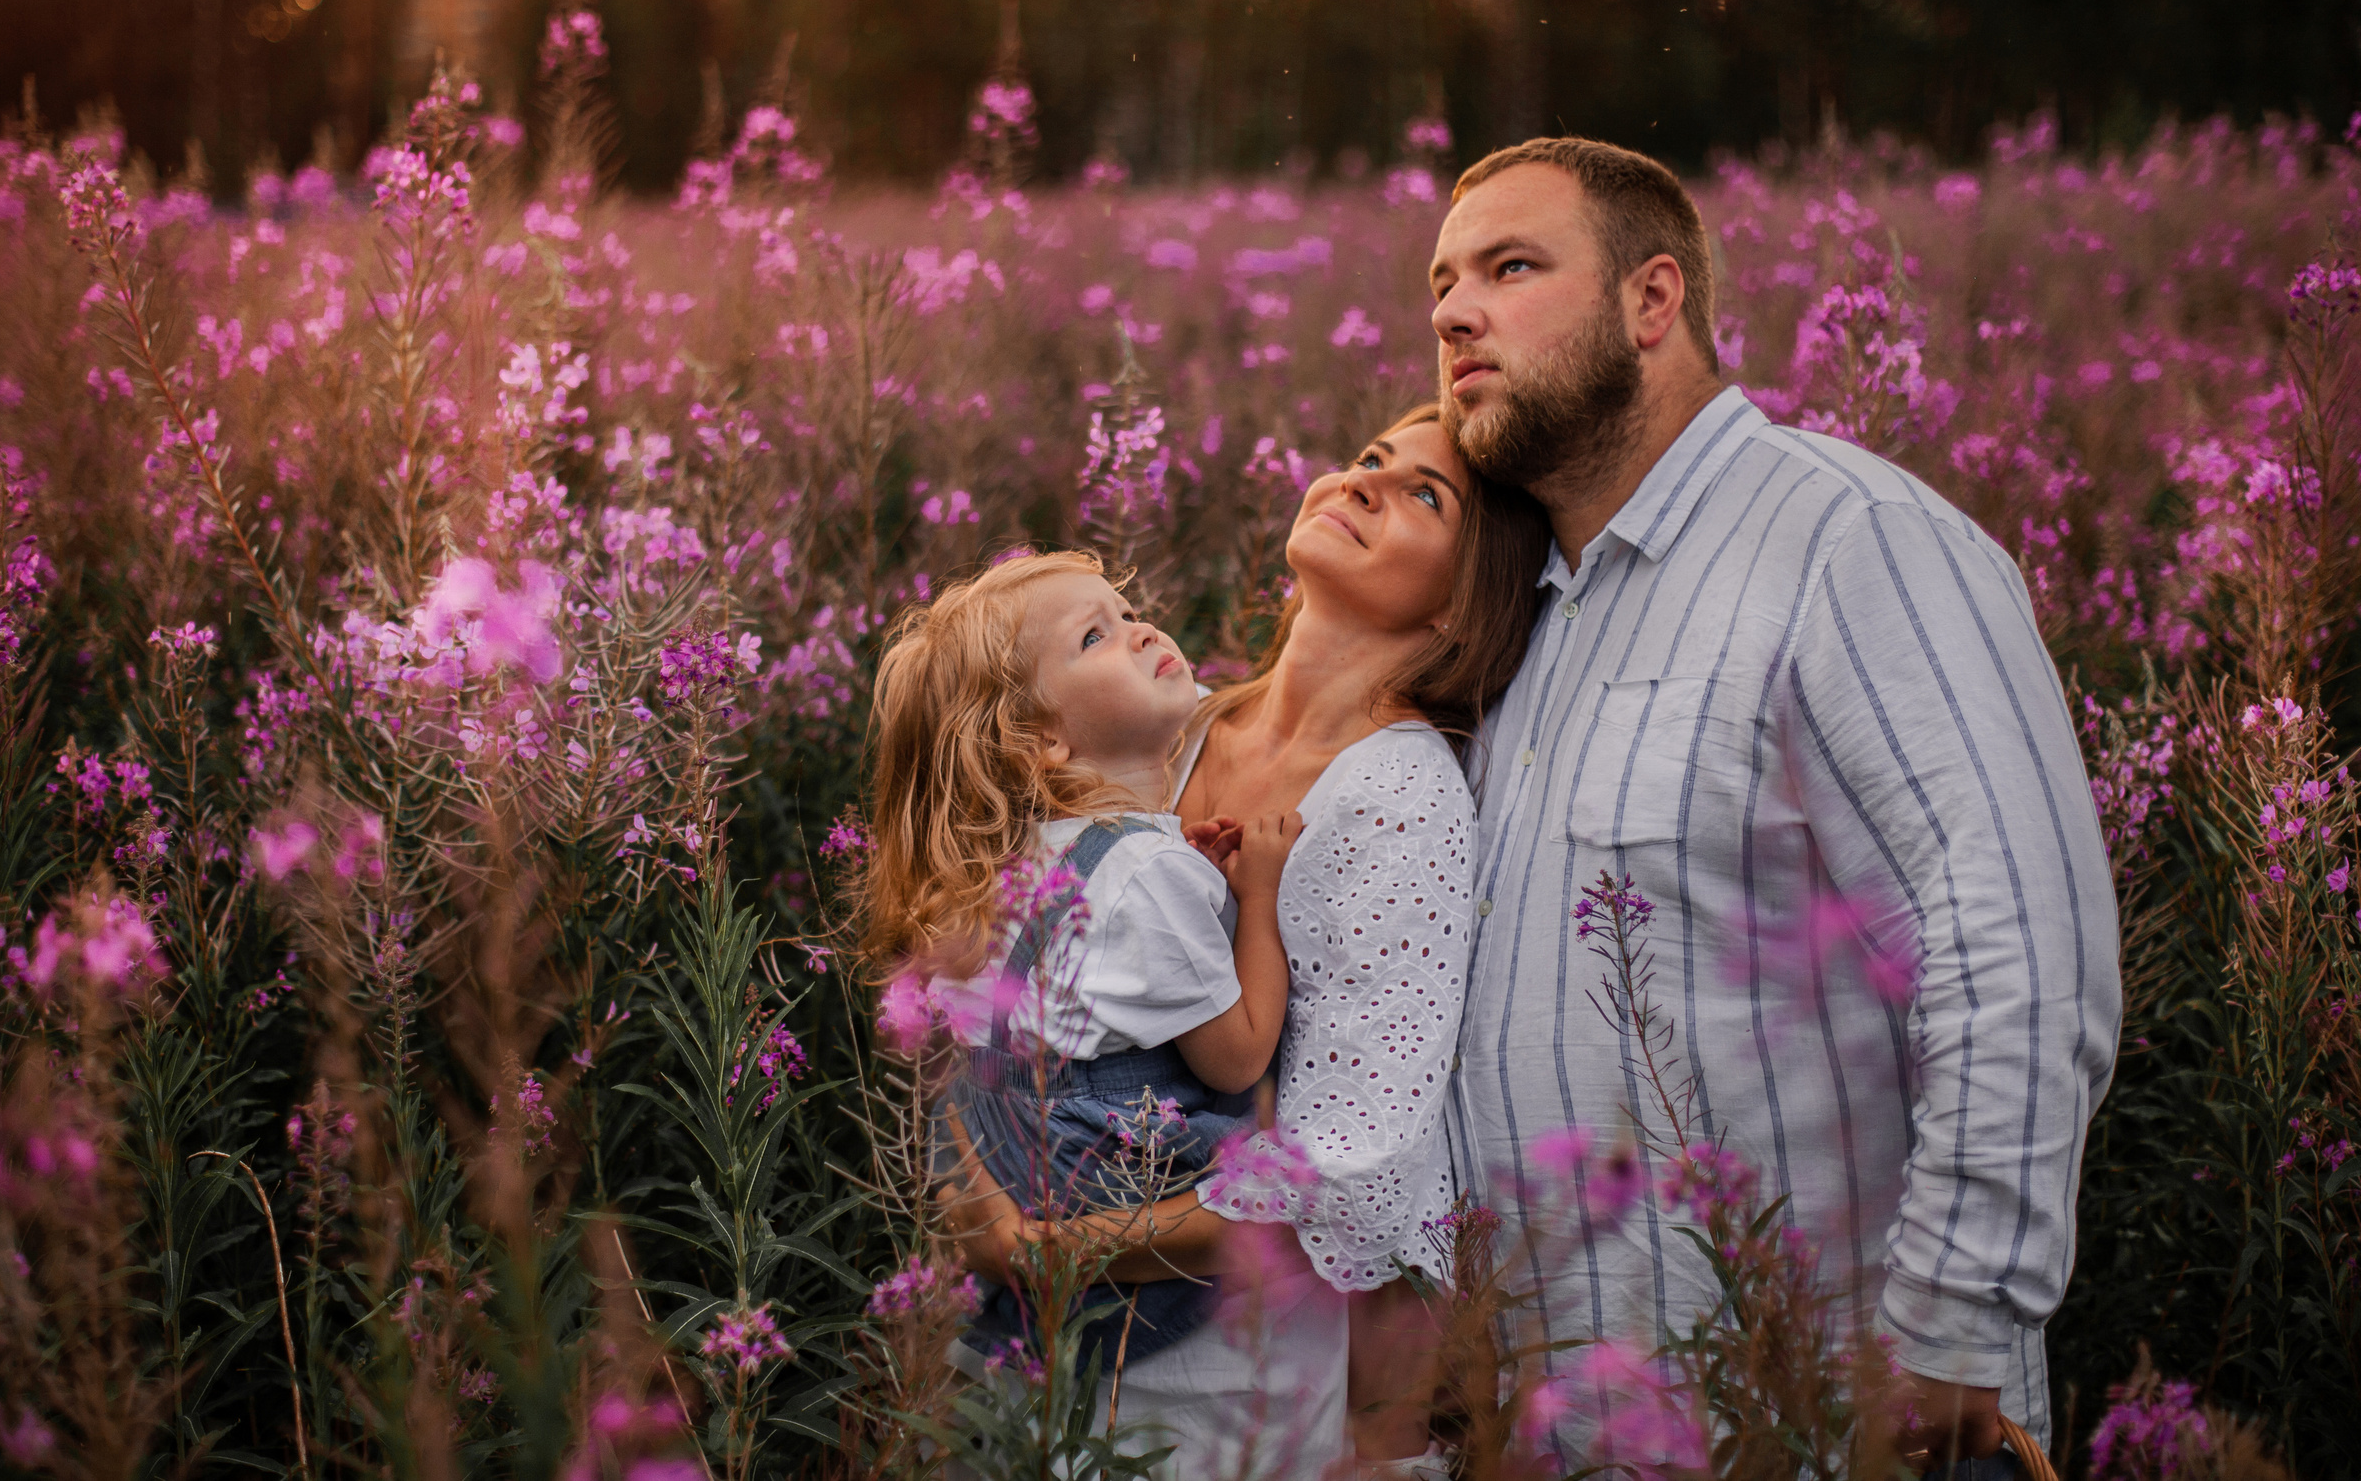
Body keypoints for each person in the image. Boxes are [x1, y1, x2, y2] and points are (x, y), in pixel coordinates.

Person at [1427, 137, 2120, 1472]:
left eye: (1510, 268)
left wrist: (1947, 1343)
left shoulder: (1847, 540)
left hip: (1818, 1424)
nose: (1456, 311)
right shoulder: (1528, 613)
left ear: (1652, 299)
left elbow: (2017, 949)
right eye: (1443, 283)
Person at [953, 406, 1550, 1479]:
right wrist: (970, 1168)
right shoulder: (1179, 724)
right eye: (1368, 458)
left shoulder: (1400, 796)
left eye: (1423, 495)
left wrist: (1041, 1247)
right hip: (1048, 1347)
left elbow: (1351, 1170)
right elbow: (996, 956)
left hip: (1219, 1373)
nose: (1362, 481)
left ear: (1470, 599)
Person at [857, 548, 1323, 1473]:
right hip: (1124, 1244)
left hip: (1010, 1214)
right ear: (1044, 742)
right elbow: (1237, 1055)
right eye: (1094, 635)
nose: (1141, 628)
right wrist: (1258, 897)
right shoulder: (1148, 874)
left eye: (1127, 609)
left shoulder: (1003, 873)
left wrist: (1186, 877)